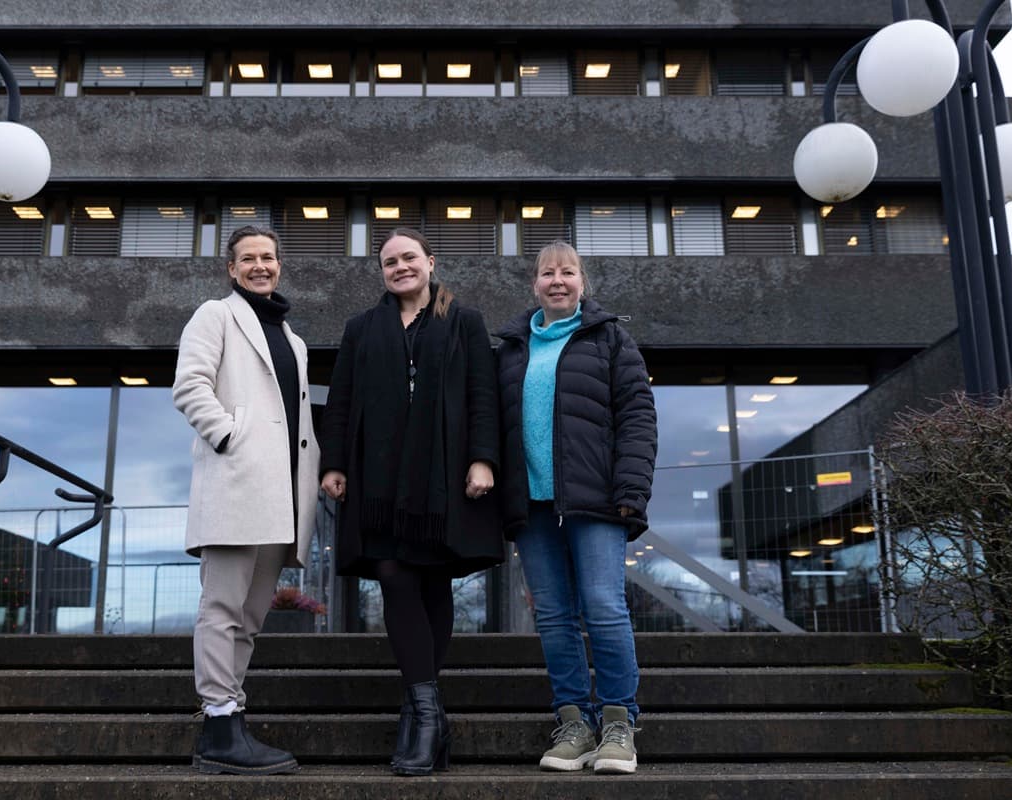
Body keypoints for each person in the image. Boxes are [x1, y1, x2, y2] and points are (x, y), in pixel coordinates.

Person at [319, 227, 503, 777]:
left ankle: (419, 717)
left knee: (433, 580)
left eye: (408, 258)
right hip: (378, 480)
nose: (399, 267)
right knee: (396, 576)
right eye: (389, 262)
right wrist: (333, 463)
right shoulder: (362, 327)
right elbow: (342, 398)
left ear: (430, 262)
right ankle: (427, 715)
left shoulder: (462, 320)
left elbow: (482, 393)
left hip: (442, 476)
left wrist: (484, 458)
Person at [495, 240, 657, 775]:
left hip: (597, 502)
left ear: (582, 283)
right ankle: (574, 725)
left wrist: (631, 493)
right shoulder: (514, 348)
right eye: (547, 273)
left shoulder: (610, 339)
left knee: (603, 607)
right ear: (534, 284)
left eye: (567, 273)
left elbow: (637, 418)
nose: (557, 281)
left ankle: (618, 724)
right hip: (534, 505)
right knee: (554, 616)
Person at [173, 225, 319, 775]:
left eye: (269, 257)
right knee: (222, 607)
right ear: (231, 269)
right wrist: (230, 436)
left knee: (252, 616)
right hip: (236, 484)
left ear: (279, 265)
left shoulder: (293, 339)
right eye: (248, 259)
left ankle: (230, 720)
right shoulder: (215, 315)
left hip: (279, 497)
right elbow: (190, 385)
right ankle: (217, 720)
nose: (261, 266)